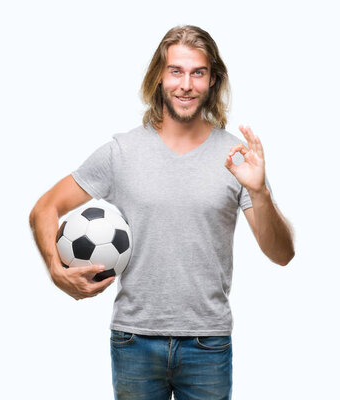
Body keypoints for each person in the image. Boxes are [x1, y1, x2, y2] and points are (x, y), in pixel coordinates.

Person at [29, 25, 295, 400]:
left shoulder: (236, 158)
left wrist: (259, 191)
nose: (185, 84)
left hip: (209, 343)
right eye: (176, 71)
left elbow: (282, 254)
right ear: (159, 77)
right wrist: (57, 272)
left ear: (212, 81)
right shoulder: (120, 152)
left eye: (197, 72)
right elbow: (45, 208)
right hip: (134, 341)